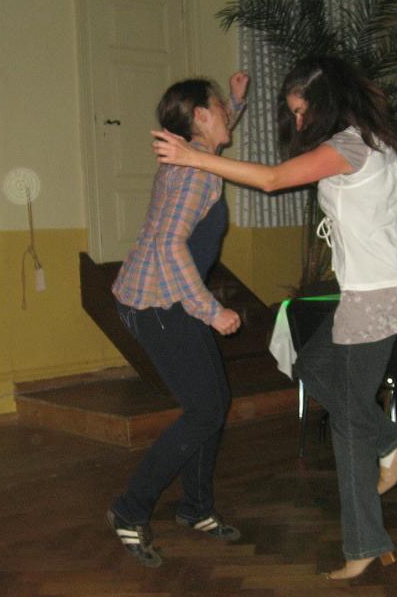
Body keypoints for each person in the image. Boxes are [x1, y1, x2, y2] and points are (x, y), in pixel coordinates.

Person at [152, 56, 397, 580]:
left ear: (328, 102)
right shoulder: (381, 136)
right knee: (311, 366)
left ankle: (364, 543)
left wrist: (195, 158)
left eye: (303, 111)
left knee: (347, 419)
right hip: (394, 288)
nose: (300, 122)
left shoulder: (348, 146)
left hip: (375, 297)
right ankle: (391, 441)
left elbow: (272, 180)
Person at [107, 71, 249, 568]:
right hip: (159, 303)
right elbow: (170, 246)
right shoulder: (196, 173)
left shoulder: (192, 156)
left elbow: (216, 134)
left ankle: (196, 508)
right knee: (206, 411)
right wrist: (212, 310)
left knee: (211, 404)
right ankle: (129, 510)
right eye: (222, 108)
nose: (228, 114)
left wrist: (235, 99)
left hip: (165, 297)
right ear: (201, 118)